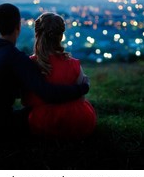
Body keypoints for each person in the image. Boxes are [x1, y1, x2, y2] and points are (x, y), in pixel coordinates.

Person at [0, 3, 89, 141]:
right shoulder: (16, 58)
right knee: (33, 114)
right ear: (18, 27)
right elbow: (48, 93)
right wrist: (82, 88)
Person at [22, 12, 97, 140]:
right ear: (61, 36)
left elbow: (25, 100)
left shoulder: (30, 64)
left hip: (43, 121)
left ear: (37, 34)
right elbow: (80, 99)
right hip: (78, 121)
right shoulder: (74, 64)